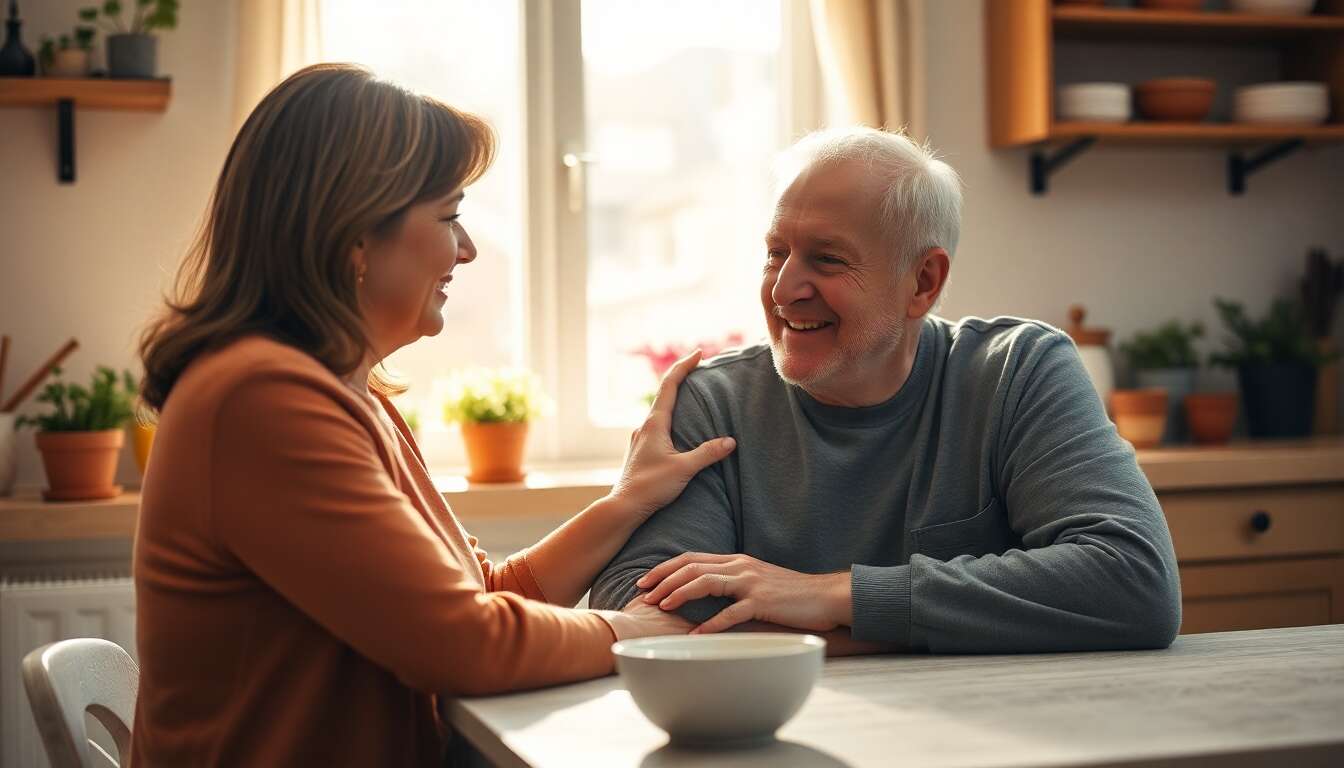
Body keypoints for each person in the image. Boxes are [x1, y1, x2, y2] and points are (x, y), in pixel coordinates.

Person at [131, 63, 734, 766]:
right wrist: (636, 631)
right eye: (449, 218)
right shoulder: (261, 402)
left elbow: (484, 596)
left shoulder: (353, 398)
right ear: (355, 237)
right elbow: (464, 642)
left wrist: (629, 500)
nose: (467, 249)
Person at [591, 126, 1182, 655]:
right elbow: (637, 612)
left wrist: (835, 596)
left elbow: (1133, 581)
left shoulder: (1018, 372)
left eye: (826, 260)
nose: (784, 289)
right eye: (776, 254)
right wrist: (924, 621)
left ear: (923, 282)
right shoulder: (711, 403)